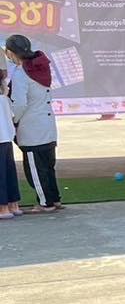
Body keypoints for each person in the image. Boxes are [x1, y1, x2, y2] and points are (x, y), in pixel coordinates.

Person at [5, 34, 60, 213]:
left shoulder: (21, 73)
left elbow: (20, 103)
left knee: (35, 170)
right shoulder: (41, 67)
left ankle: (45, 203)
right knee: (48, 166)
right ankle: (55, 199)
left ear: (11, 53)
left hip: (31, 128)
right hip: (47, 125)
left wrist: (13, 120)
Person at [0, 64, 20, 220]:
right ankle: (14, 205)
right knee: (9, 171)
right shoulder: (4, 99)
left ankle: (3, 208)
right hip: (6, 139)